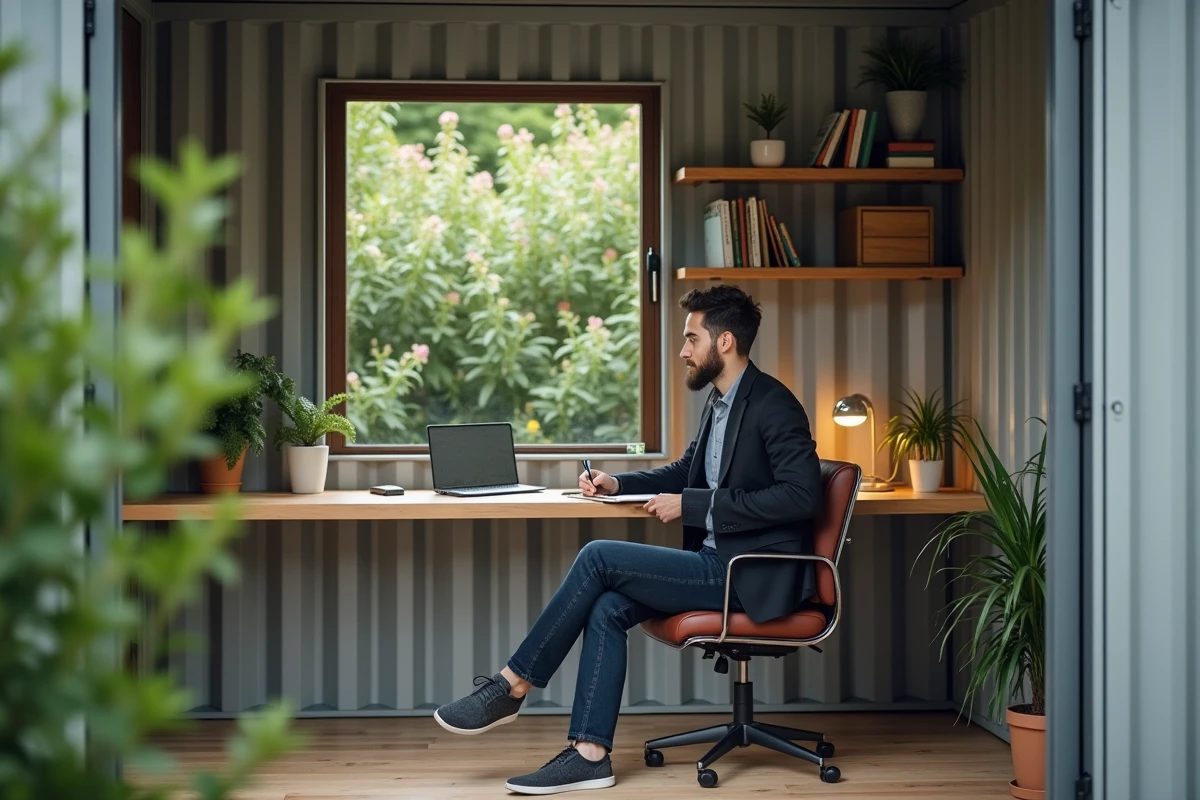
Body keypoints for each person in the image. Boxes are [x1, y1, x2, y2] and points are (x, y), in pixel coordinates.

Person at [433, 284, 823, 794]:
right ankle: (589, 754)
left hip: (746, 574)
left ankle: (511, 685)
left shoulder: (774, 403)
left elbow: (800, 496)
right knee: (609, 605)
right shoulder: (721, 402)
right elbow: (688, 470)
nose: (683, 351)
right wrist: (618, 483)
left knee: (597, 557)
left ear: (724, 342)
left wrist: (694, 504)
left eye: (691, 339)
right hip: (713, 561)